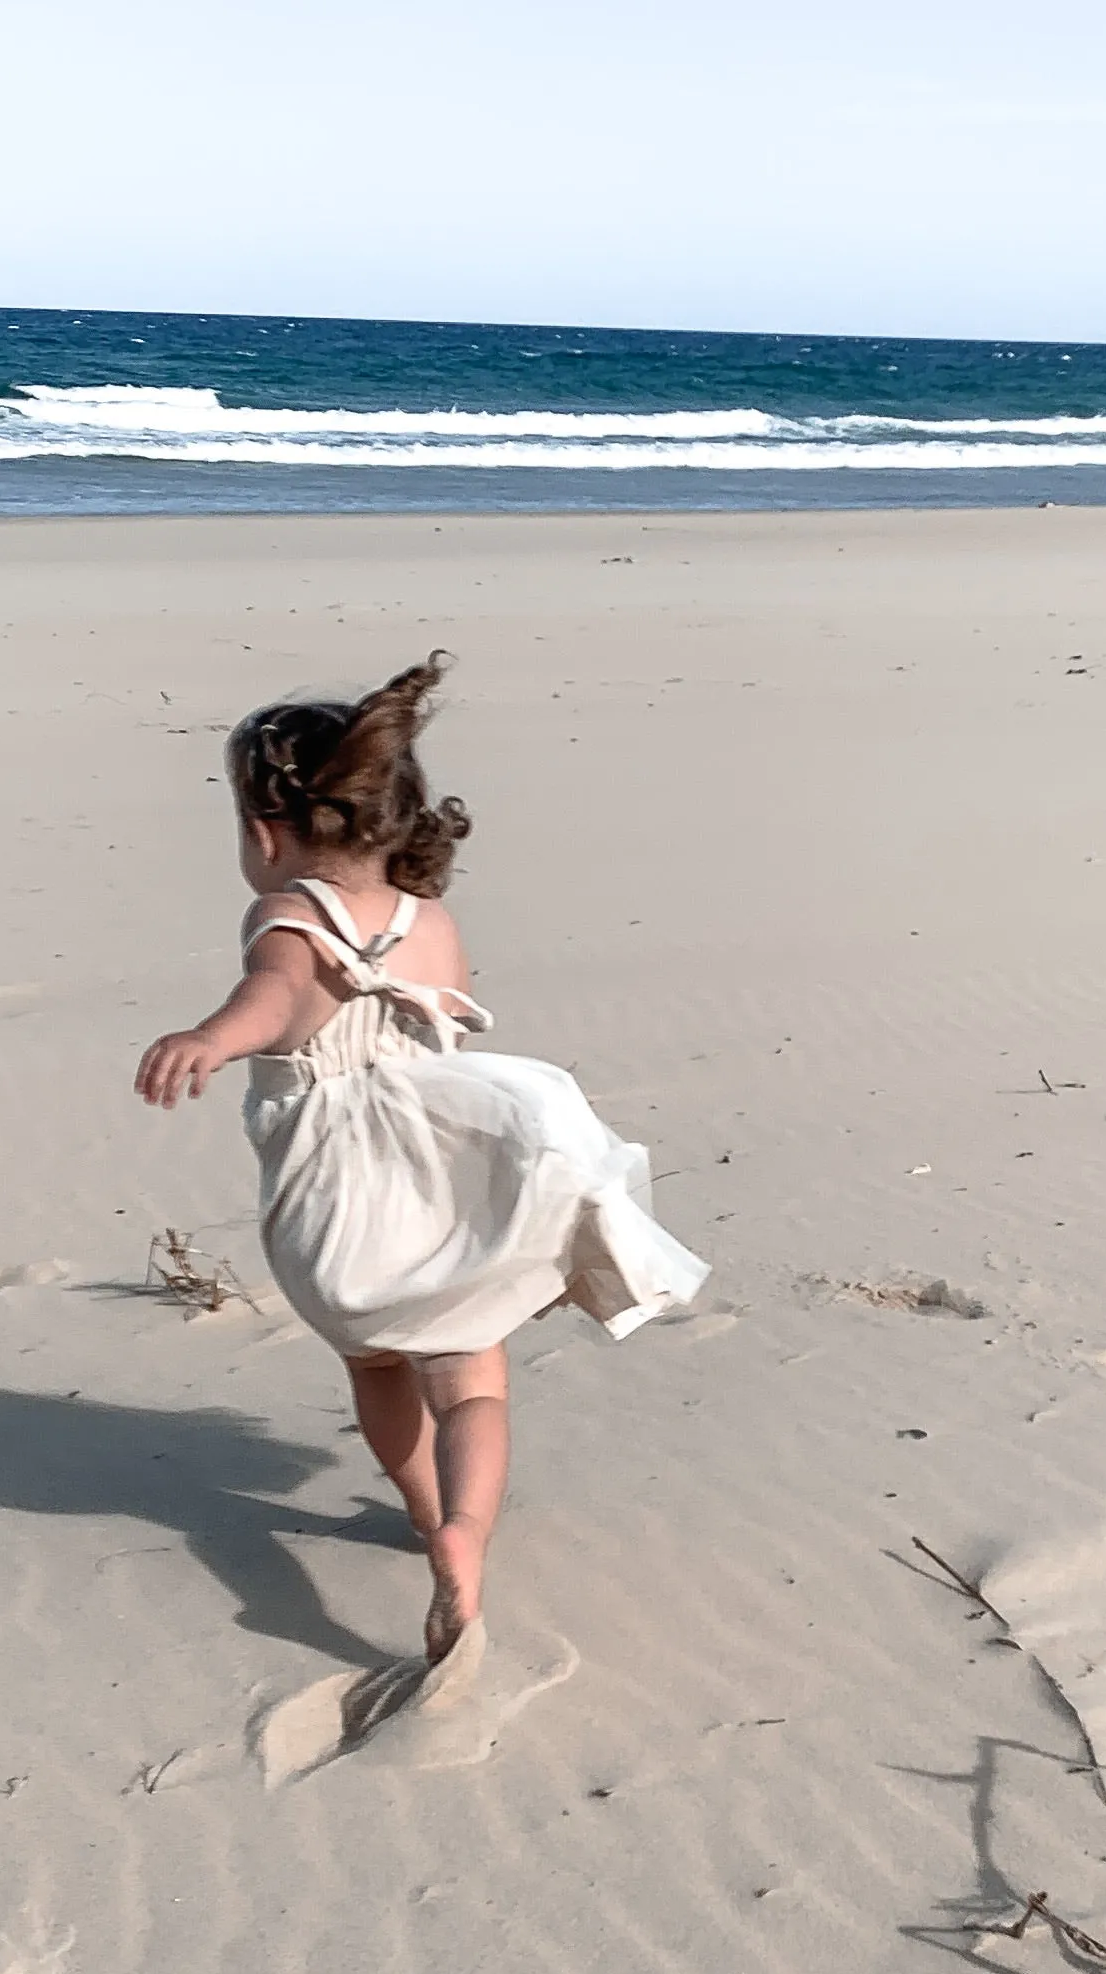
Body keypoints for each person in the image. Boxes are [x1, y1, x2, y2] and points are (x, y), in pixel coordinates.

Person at [134, 654, 705, 1665]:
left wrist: (215, 1040)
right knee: (472, 1384)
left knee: (377, 1360)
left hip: (342, 1216)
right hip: (449, 1199)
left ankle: (418, 1505)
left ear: (265, 833)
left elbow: (272, 1001)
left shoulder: (285, 918)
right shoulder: (429, 923)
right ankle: (465, 1535)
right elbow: (447, 1046)